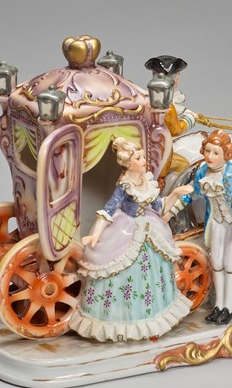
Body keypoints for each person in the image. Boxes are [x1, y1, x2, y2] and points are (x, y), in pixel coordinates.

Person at [69, 138, 194, 342]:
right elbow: (108, 211)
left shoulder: (146, 180)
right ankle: (121, 318)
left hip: (150, 225)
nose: (144, 160)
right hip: (126, 228)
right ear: (128, 163)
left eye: (143, 156)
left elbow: (159, 206)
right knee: (119, 266)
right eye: (138, 158)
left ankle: (152, 313)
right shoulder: (124, 185)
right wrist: (96, 234)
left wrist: (176, 193)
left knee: (155, 266)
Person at [164, 130, 232, 325]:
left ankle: (229, 307)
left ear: (226, 154)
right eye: (207, 151)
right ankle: (219, 306)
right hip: (215, 225)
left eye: (215, 153)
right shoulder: (203, 172)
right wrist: (171, 212)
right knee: (217, 265)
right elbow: (191, 194)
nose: (209, 156)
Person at [144, 55, 199, 136]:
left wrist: (187, 112)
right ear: (176, 78)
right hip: (162, 140)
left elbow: (177, 108)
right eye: (177, 75)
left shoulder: (144, 99)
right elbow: (176, 131)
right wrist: (190, 119)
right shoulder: (167, 108)